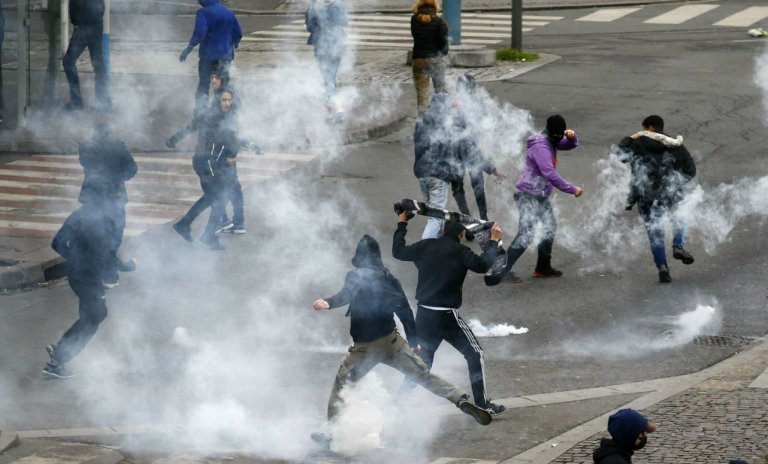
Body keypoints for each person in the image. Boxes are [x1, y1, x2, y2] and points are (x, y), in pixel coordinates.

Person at [312, 235, 493, 429]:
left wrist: (329, 302)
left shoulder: (356, 275)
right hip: (392, 343)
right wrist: (414, 341)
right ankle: (460, 399)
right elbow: (405, 311)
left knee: (343, 384)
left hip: (365, 349)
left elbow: (346, 294)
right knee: (423, 375)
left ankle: (332, 432)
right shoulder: (390, 278)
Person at [392, 214, 507, 415]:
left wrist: (402, 222)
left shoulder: (427, 245)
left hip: (425, 315)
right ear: (462, 233)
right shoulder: (461, 251)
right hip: (446, 316)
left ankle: (399, 401)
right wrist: (493, 241)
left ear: (443, 230)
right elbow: (482, 265)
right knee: (475, 354)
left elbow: (398, 251)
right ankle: (482, 403)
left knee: (423, 363)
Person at [488, 115, 583, 285]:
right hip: (527, 195)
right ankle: (501, 270)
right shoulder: (541, 147)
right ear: (553, 133)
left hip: (538, 195)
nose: (560, 139)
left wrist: (572, 137)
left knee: (549, 227)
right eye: (559, 136)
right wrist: (572, 189)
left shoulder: (550, 140)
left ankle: (543, 268)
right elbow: (549, 173)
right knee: (526, 233)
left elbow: (568, 145)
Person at [43, 205, 123, 379]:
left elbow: (57, 243)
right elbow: (108, 253)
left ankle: (59, 354)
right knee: (95, 315)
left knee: (95, 315)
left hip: (77, 274)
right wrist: (125, 266)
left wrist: (76, 259)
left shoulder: (79, 215)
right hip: (88, 276)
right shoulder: (104, 220)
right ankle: (58, 356)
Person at [618, 115, 696, 284]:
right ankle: (678, 246)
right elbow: (691, 170)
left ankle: (662, 267)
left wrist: (629, 139)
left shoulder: (637, 144)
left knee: (655, 232)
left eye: (644, 128)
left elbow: (621, 156)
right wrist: (674, 183)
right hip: (672, 194)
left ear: (650, 127)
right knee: (679, 218)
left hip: (647, 196)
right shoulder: (676, 145)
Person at [168, 88, 247, 250]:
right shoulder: (219, 118)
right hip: (208, 163)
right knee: (218, 197)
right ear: (218, 101)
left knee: (215, 198)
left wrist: (173, 139)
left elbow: (191, 127)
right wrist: (233, 153)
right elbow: (226, 139)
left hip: (206, 162)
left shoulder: (214, 115)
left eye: (229, 100)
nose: (227, 103)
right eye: (224, 100)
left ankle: (201, 232)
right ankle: (195, 228)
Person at [78, 123, 138, 288]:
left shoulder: (86, 147)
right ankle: (110, 275)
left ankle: (102, 271)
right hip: (113, 196)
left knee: (98, 236)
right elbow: (132, 169)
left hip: (93, 197)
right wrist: (118, 178)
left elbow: (84, 163)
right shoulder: (118, 146)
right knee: (113, 236)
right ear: (109, 133)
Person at [450, 74, 507, 221]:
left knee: (457, 188)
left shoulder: (450, 103)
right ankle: (482, 217)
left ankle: (467, 216)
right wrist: (491, 168)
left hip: (453, 153)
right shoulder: (477, 105)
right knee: (477, 185)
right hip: (470, 150)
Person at [179, 0, 242, 110]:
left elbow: (200, 34)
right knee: (223, 87)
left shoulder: (203, 13)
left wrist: (188, 49)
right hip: (225, 57)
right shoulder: (229, 13)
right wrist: (234, 44)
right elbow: (238, 33)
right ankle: (222, 115)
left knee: (204, 85)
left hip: (207, 57)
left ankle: (201, 113)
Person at [414, 94, 454, 239]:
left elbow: (418, 148)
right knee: (435, 217)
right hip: (438, 174)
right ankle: (425, 250)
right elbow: (449, 151)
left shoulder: (421, 121)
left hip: (422, 173)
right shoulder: (446, 122)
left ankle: (437, 245)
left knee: (434, 213)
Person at [62, 0, 110, 111]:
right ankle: (97, 100)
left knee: (70, 62)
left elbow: (96, 7)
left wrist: (79, 21)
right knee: (97, 65)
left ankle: (81, 101)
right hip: (87, 26)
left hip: (87, 26)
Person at [305, 0, 348, 122]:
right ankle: (331, 110)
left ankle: (337, 109)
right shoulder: (339, 4)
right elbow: (345, 22)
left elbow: (310, 26)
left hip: (321, 45)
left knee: (328, 80)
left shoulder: (313, 6)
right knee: (331, 78)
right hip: (338, 43)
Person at [410, 0, 449, 116]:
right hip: (435, 60)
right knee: (441, 91)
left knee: (422, 95)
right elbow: (444, 44)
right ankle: (443, 118)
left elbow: (415, 36)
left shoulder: (414, 20)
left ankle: (423, 122)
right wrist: (443, 53)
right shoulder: (440, 22)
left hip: (418, 59)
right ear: (435, 7)